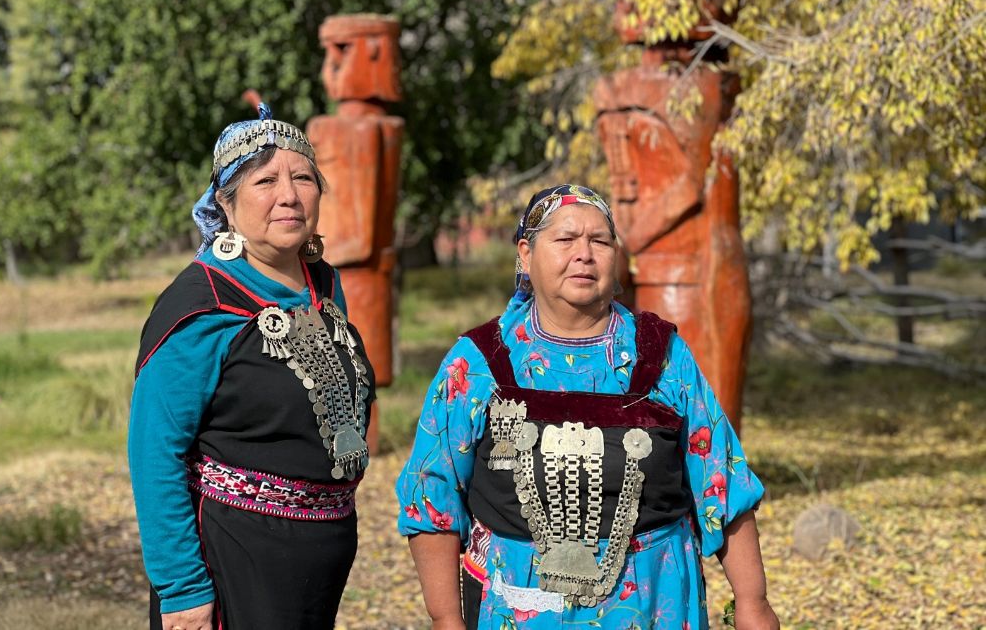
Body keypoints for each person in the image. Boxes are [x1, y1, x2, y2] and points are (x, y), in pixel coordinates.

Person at [395, 184, 778, 629]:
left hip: (656, 601)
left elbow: (721, 482)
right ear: (525, 254)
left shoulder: (662, 355)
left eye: (600, 240)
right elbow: (432, 495)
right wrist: (446, 619)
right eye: (565, 239)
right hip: (518, 609)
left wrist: (753, 601)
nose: (584, 254)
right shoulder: (479, 362)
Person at [129, 103, 375, 630]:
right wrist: (182, 590)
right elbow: (154, 451)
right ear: (226, 202)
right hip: (232, 561)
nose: (289, 194)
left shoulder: (324, 286)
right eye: (265, 180)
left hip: (318, 565)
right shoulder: (200, 304)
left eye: (304, 178)